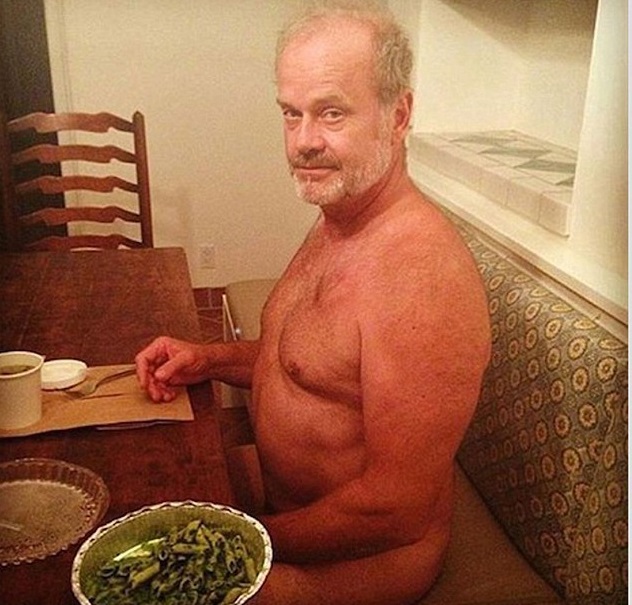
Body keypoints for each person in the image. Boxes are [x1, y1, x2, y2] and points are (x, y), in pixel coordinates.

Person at [136, 3, 491, 603]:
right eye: (290, 113)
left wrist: (240, 541)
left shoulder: (422, 279)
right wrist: (208, 360)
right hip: (290, 508)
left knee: (163, 591)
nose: (303, 142)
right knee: (135, 503)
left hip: (366, 555)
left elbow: (396, 509)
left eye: (331, 113)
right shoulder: (339, 218)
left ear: (398, 114)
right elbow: (306, 363)